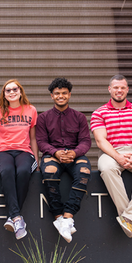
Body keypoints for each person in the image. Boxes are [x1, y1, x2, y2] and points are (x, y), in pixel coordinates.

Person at [91, 74, 132, 238]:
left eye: (122, 87)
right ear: (109, 89)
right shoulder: (99, 113)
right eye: (116, 87)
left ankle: (129, 217)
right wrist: (118, 157)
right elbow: (100, 141)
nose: (119, 91)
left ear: (127, 89)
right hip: (111, 152)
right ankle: (130, 219)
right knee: (106, 168)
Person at [35, 77, 91, 243]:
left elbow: (86, 141)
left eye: (64, 93)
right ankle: (58, 216)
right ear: (51, 96)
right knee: (49, 172)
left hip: (75, 155)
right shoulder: (43, 118)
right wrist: (55, 152)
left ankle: (67, 217)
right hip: (53, 156)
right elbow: (41, 142)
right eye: (57, 93)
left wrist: (74, 153)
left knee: (84, 172)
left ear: (69, 95)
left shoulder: (79, 117)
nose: (61, 96)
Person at [0, 79, 38, 240]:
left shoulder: (31, 110)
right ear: (4, 94)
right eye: (7, 90)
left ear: (20, 91)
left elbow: (33, 139)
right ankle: (17, 218)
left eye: (14, 89)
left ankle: (13, 217)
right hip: (3, 151)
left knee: (23, 171)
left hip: (24, 150)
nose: (11, 92)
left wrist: (36, 161)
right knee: (8, 170)